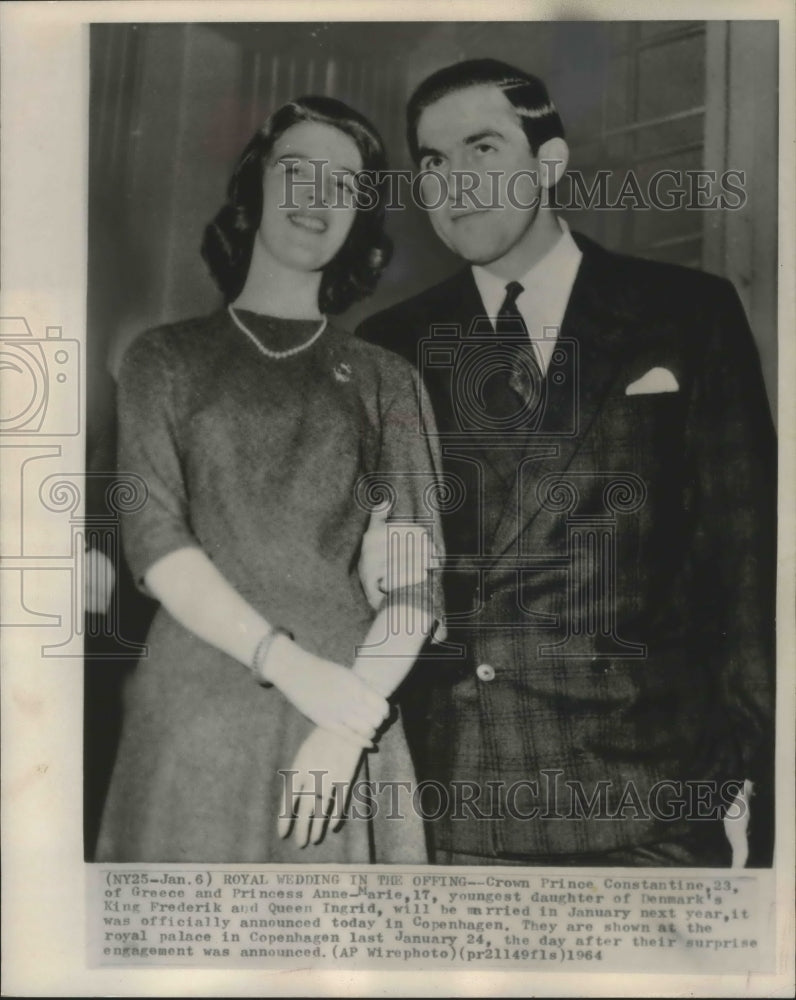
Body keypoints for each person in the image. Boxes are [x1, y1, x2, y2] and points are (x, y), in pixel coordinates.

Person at [357, 59, 776, 866]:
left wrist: (764, 796)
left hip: (654, 802)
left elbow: (748, 569)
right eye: (433, 162)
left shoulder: (687, 314)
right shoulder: (388, 347)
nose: (453, 183)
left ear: (550, 162)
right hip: (459, 805)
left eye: (482, 149)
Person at [96, 96, 443, 863]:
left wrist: (346, 728)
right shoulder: (164, 359)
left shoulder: (387, 380)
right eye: (297, 170)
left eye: (344, 185)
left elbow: (415, 595)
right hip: (200, 708)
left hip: (347, 716)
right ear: (253, 187)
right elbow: (156, 542)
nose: (319, 197)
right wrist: (290, 669)